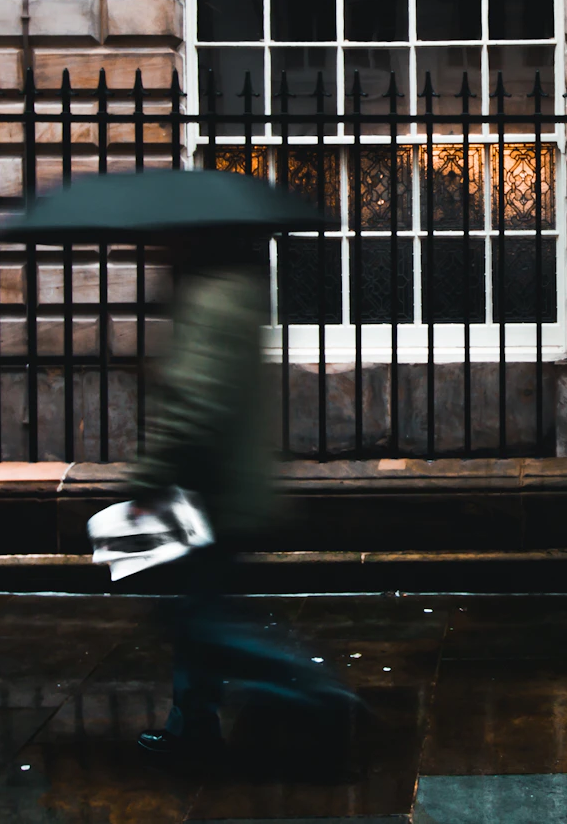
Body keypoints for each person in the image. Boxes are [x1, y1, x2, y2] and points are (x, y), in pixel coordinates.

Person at [126, 229, 356, 761]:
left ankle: (311, 689)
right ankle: (193, 726)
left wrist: (146, 481)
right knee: (191, 609)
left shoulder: (210, 300)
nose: (154, 247)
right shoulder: (227, 292)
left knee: (199, 617)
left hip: (207, 492)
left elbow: (193, 408)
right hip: (218, 487)